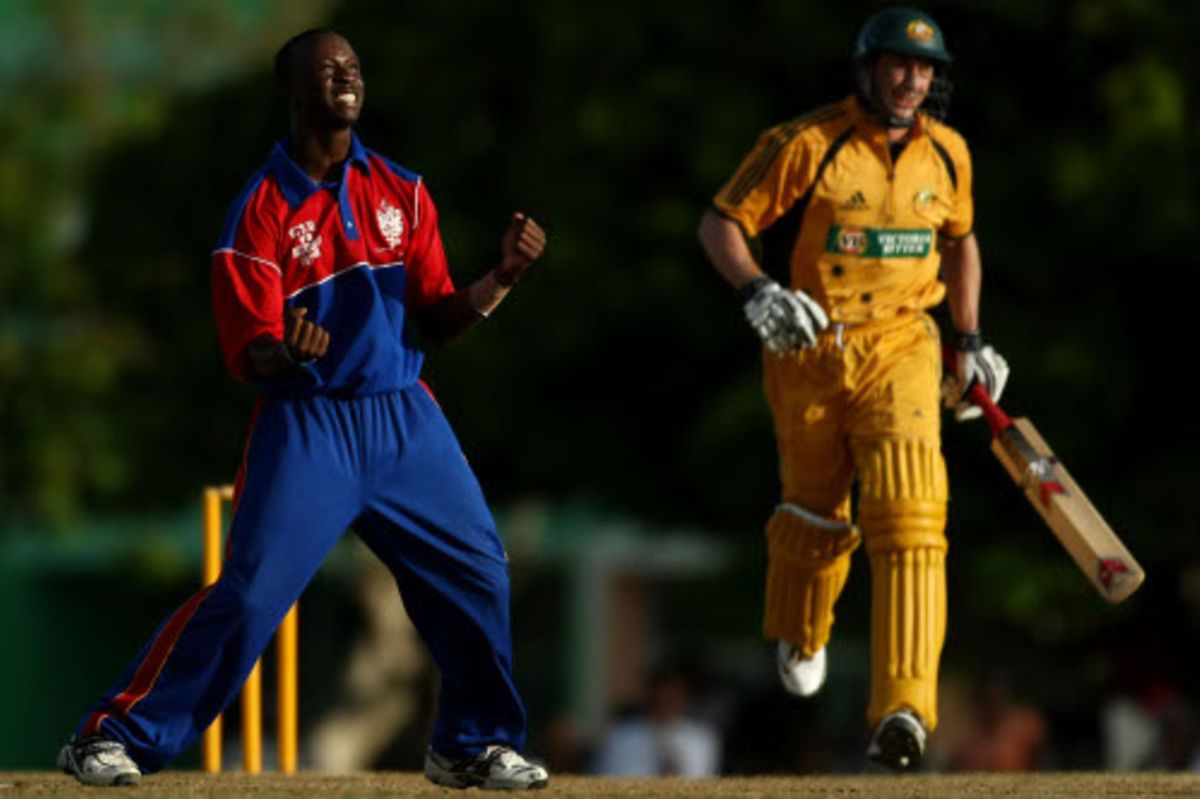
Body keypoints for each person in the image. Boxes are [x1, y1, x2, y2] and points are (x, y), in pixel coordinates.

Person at [57, 28, 550, 790]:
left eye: (353, 66)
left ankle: (469, 744)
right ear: (294, 91)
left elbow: (440, 320)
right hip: (308, 424)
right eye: (328, 70)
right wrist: (289, 353)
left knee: (480, 570)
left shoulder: (403, 190)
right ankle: (112, 734)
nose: (347, 76)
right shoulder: (258, 211)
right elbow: (251, 352)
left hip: (401, 415)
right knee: (250, 594)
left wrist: (504, 278)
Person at [697, 7, 1008, 770]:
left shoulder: (949, 156)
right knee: (815, 509)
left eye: (924, 69)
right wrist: (757, 291)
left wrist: (968, 341)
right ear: (868, 69)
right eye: (897, 66)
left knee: (911, 514)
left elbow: (961, 243)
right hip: (809, 345)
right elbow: (720, 223)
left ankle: (904, 706)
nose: (911, 81)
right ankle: (801, 626)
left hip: (904, 344)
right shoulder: (805, 143)